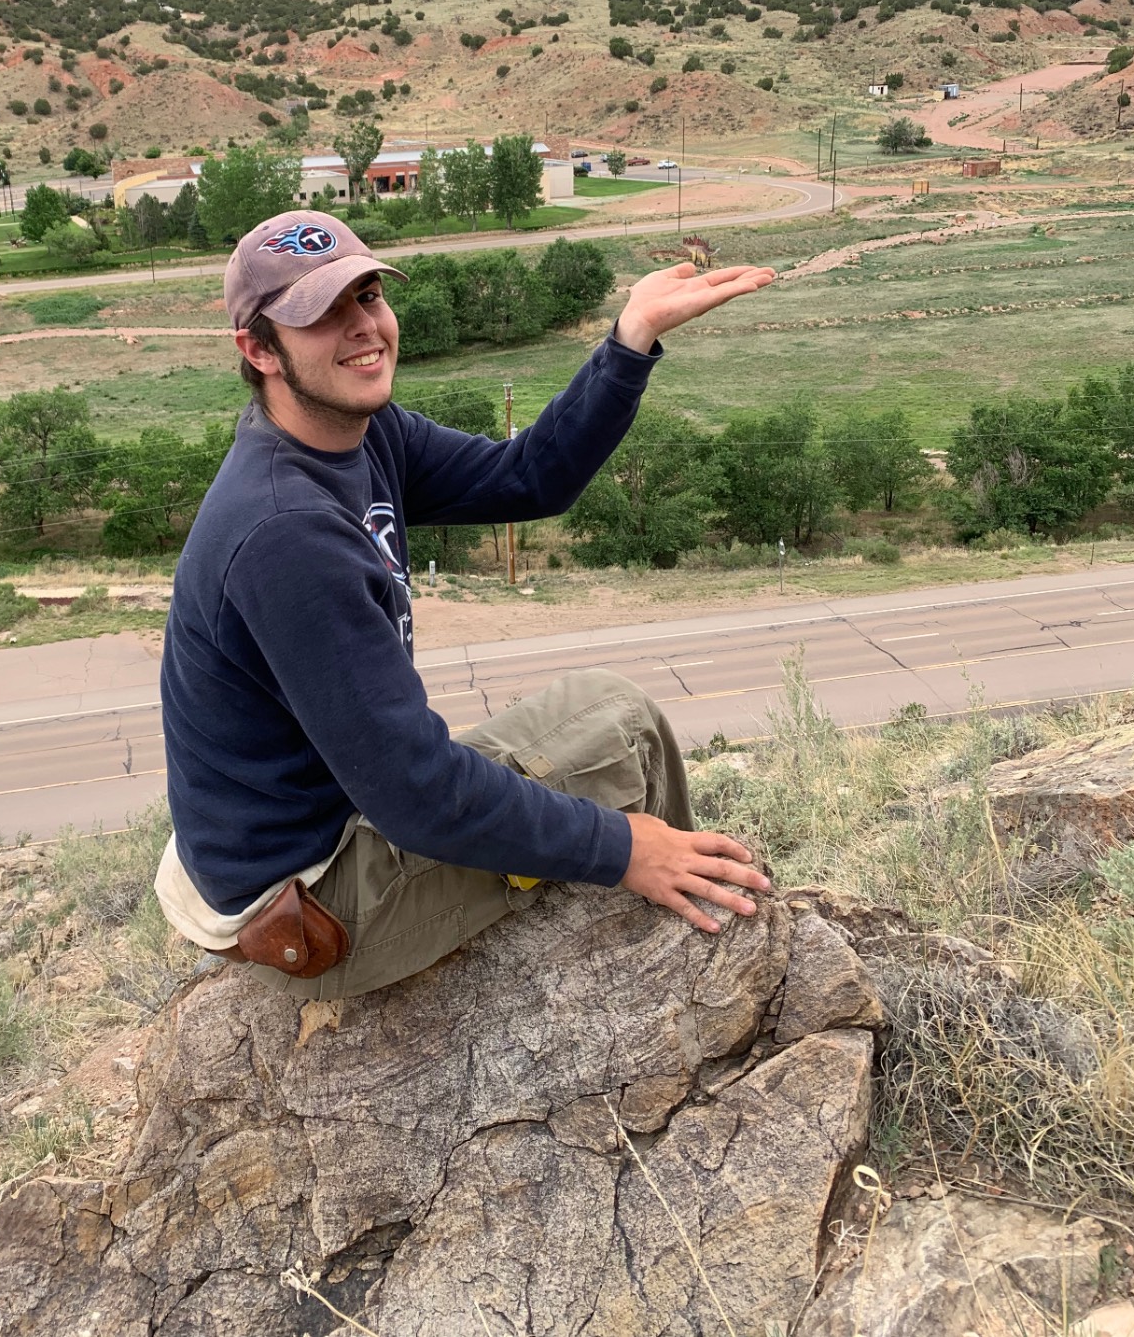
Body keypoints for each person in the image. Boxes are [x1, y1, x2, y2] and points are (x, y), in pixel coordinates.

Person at [157, 210, 776, 999]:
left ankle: (681, 909)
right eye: (321, 314)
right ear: (259, 348)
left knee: (618, 707)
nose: (363, 328)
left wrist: (631, 339)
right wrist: (625, 849)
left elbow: (530, 477)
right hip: (318, 898)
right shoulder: (286, 531)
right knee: (627, 745)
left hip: (343, 814)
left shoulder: (359, 434)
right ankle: (693, 958)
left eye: (369, 295)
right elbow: (421, 796)